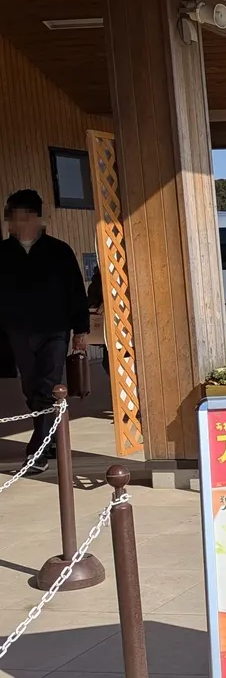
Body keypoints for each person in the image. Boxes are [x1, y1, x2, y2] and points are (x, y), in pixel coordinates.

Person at [0, 189, 90, 473]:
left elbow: (76, 291)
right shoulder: (2, 253)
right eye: (14, 218)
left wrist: (81, 330)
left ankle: (37, 451)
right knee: (31, 387)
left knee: (48, 386)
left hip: (54, 330)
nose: (19, 224)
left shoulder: (59, 251)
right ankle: (49, 437)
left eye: (25, 217)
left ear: (38, 218)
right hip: (18, 331)